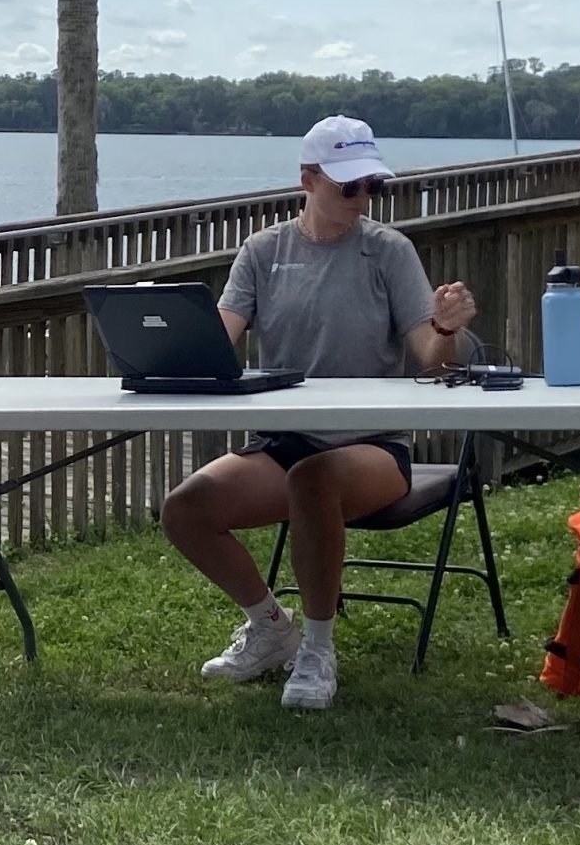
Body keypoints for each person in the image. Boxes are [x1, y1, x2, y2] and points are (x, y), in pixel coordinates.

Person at [162, 118, 477, 712]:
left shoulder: (388, 250)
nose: (362, 199)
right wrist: (165, 350)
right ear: (307, 179)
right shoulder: (263, 250)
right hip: (282, 442)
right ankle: (269, 626)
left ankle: (318, 647)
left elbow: (431, 361)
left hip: (374, 446)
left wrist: (444, 328)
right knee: (185, 510)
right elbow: (218, 340)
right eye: (348, 186)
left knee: (315, 479)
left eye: (371, 187)